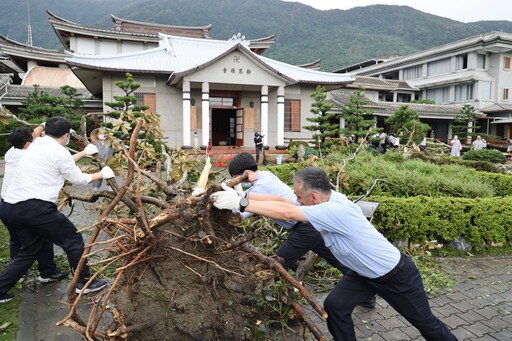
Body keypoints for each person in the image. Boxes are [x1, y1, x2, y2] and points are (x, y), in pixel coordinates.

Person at [211, 167, 458, 340]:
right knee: (335, 306)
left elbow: (287, 213)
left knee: (426, 325)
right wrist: (244, 195)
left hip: (396, 276)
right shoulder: (324, 198)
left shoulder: (334, 210)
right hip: (363, 275)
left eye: (300, 196)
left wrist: (240, 205)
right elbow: (284, 202)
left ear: (314, 196)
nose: (296, 199)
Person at [227, 153, 376, 308]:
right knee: (338, 260)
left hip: (306, 226)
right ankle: (367, 295)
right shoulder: (266, 175)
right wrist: (240, 195)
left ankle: (286, 308)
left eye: (237, 178)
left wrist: (232, 203)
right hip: (311, 224)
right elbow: (260, 198)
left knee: (277, 264)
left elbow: (241, 213)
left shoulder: (261, 185)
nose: (237, 182)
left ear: (246, 174)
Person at [0, 116, 116, 304]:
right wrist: (102, 173)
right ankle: (83, 282)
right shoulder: (58, 152)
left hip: (12, 206)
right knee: (73, 240)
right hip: (36, 207)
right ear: (65, 137)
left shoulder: (37, 143)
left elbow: (55, 157)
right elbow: (78, 178)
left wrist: (84, 152)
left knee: (29, 251)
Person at [0, 126, 68, 284]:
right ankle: (42, 272)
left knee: (18, 241)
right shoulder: (29, 155)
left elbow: (30, 135)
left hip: (6, 206)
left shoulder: (11, 152)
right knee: (34, 245)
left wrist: (45, 126)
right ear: (27, 145)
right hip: (22, 206)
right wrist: (85, 153)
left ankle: (29, 273)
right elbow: (64, 164)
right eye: (34, 138)